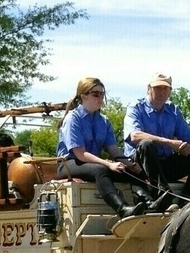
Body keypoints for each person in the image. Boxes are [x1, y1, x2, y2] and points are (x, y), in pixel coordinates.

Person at [56, 77, 147, 219]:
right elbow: (80, 154)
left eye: (102, 94)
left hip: (91, 163)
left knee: (130, 170)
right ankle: (122, 209)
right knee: (100, 169)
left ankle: (148, 202)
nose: (100, 98)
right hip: (68, 164)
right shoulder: (73, 119)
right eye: (96, 94)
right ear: (83, 96)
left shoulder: (103, 121)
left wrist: (131, 165)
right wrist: (108, 164)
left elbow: (113, 150)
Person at [124, 73, 190, 212]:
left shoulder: (173, 111)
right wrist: (170, 143)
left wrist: (188, 147)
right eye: (158, 88)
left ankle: (189, 200)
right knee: (147, 144)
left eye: (166, 88)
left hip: (164, 166)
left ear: (170, 92)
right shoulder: (136, 107)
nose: (162, 92)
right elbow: (135, 136)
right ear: (149, 89)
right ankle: (163, 195)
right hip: (140, 167)